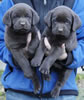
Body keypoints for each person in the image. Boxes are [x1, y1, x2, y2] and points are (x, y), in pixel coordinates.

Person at [0, 0, 84, 100]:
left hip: (62, 92)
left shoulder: (76, 1)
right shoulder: (10, 1)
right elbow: (1, 42)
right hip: (19, 91)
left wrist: (68, 57)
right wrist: (19, 58)